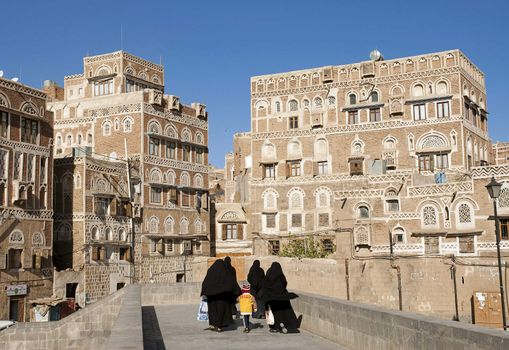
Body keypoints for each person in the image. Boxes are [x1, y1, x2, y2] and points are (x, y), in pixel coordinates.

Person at [263, 262, 300, 334]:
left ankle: (276, 327)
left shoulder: (268, 274)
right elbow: (285, 283)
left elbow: (265, 286)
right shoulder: (281, 275)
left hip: (272, 297)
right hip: (282, 296)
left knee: (276, 313)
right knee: (285, 312)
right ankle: (286, 324)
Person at [201, 259, 237, 332]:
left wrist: (205, 292)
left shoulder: (211, 271)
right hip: (223, 297)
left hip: (212, 297)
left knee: (213, 311)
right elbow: (231, 282)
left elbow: (205, 282)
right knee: (222, 311)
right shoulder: (225, 272)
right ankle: (221, 325)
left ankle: (215, 324)